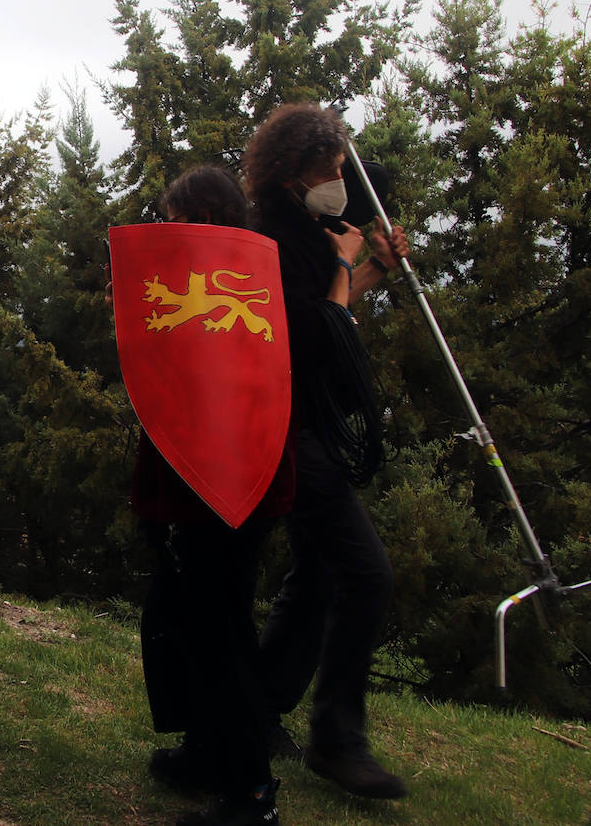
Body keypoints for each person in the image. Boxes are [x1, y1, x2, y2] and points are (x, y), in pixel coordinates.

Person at [241, 104, 411, 799]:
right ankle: (337, 739)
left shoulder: (306, 230)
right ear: (291, 175)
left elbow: (328, 310)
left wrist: (372, 267)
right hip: (288, 429)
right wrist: (348, 264)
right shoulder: (272, 239)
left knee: (315, 573)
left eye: (343, 170)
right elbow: (311, 336)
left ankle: (256, 711)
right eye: (329, 172)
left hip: (305, 422)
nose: (340, 184)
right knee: (365, 574)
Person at [134, 165, 295, 825]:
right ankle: (205, 751)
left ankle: (252, 794)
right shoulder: (225, 286)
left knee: (222, 632)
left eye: (175, 215)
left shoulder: (251, 286)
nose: (167, 226)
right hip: (211, 487)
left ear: (198, 217)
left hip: (228, 487)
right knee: (197, 623)